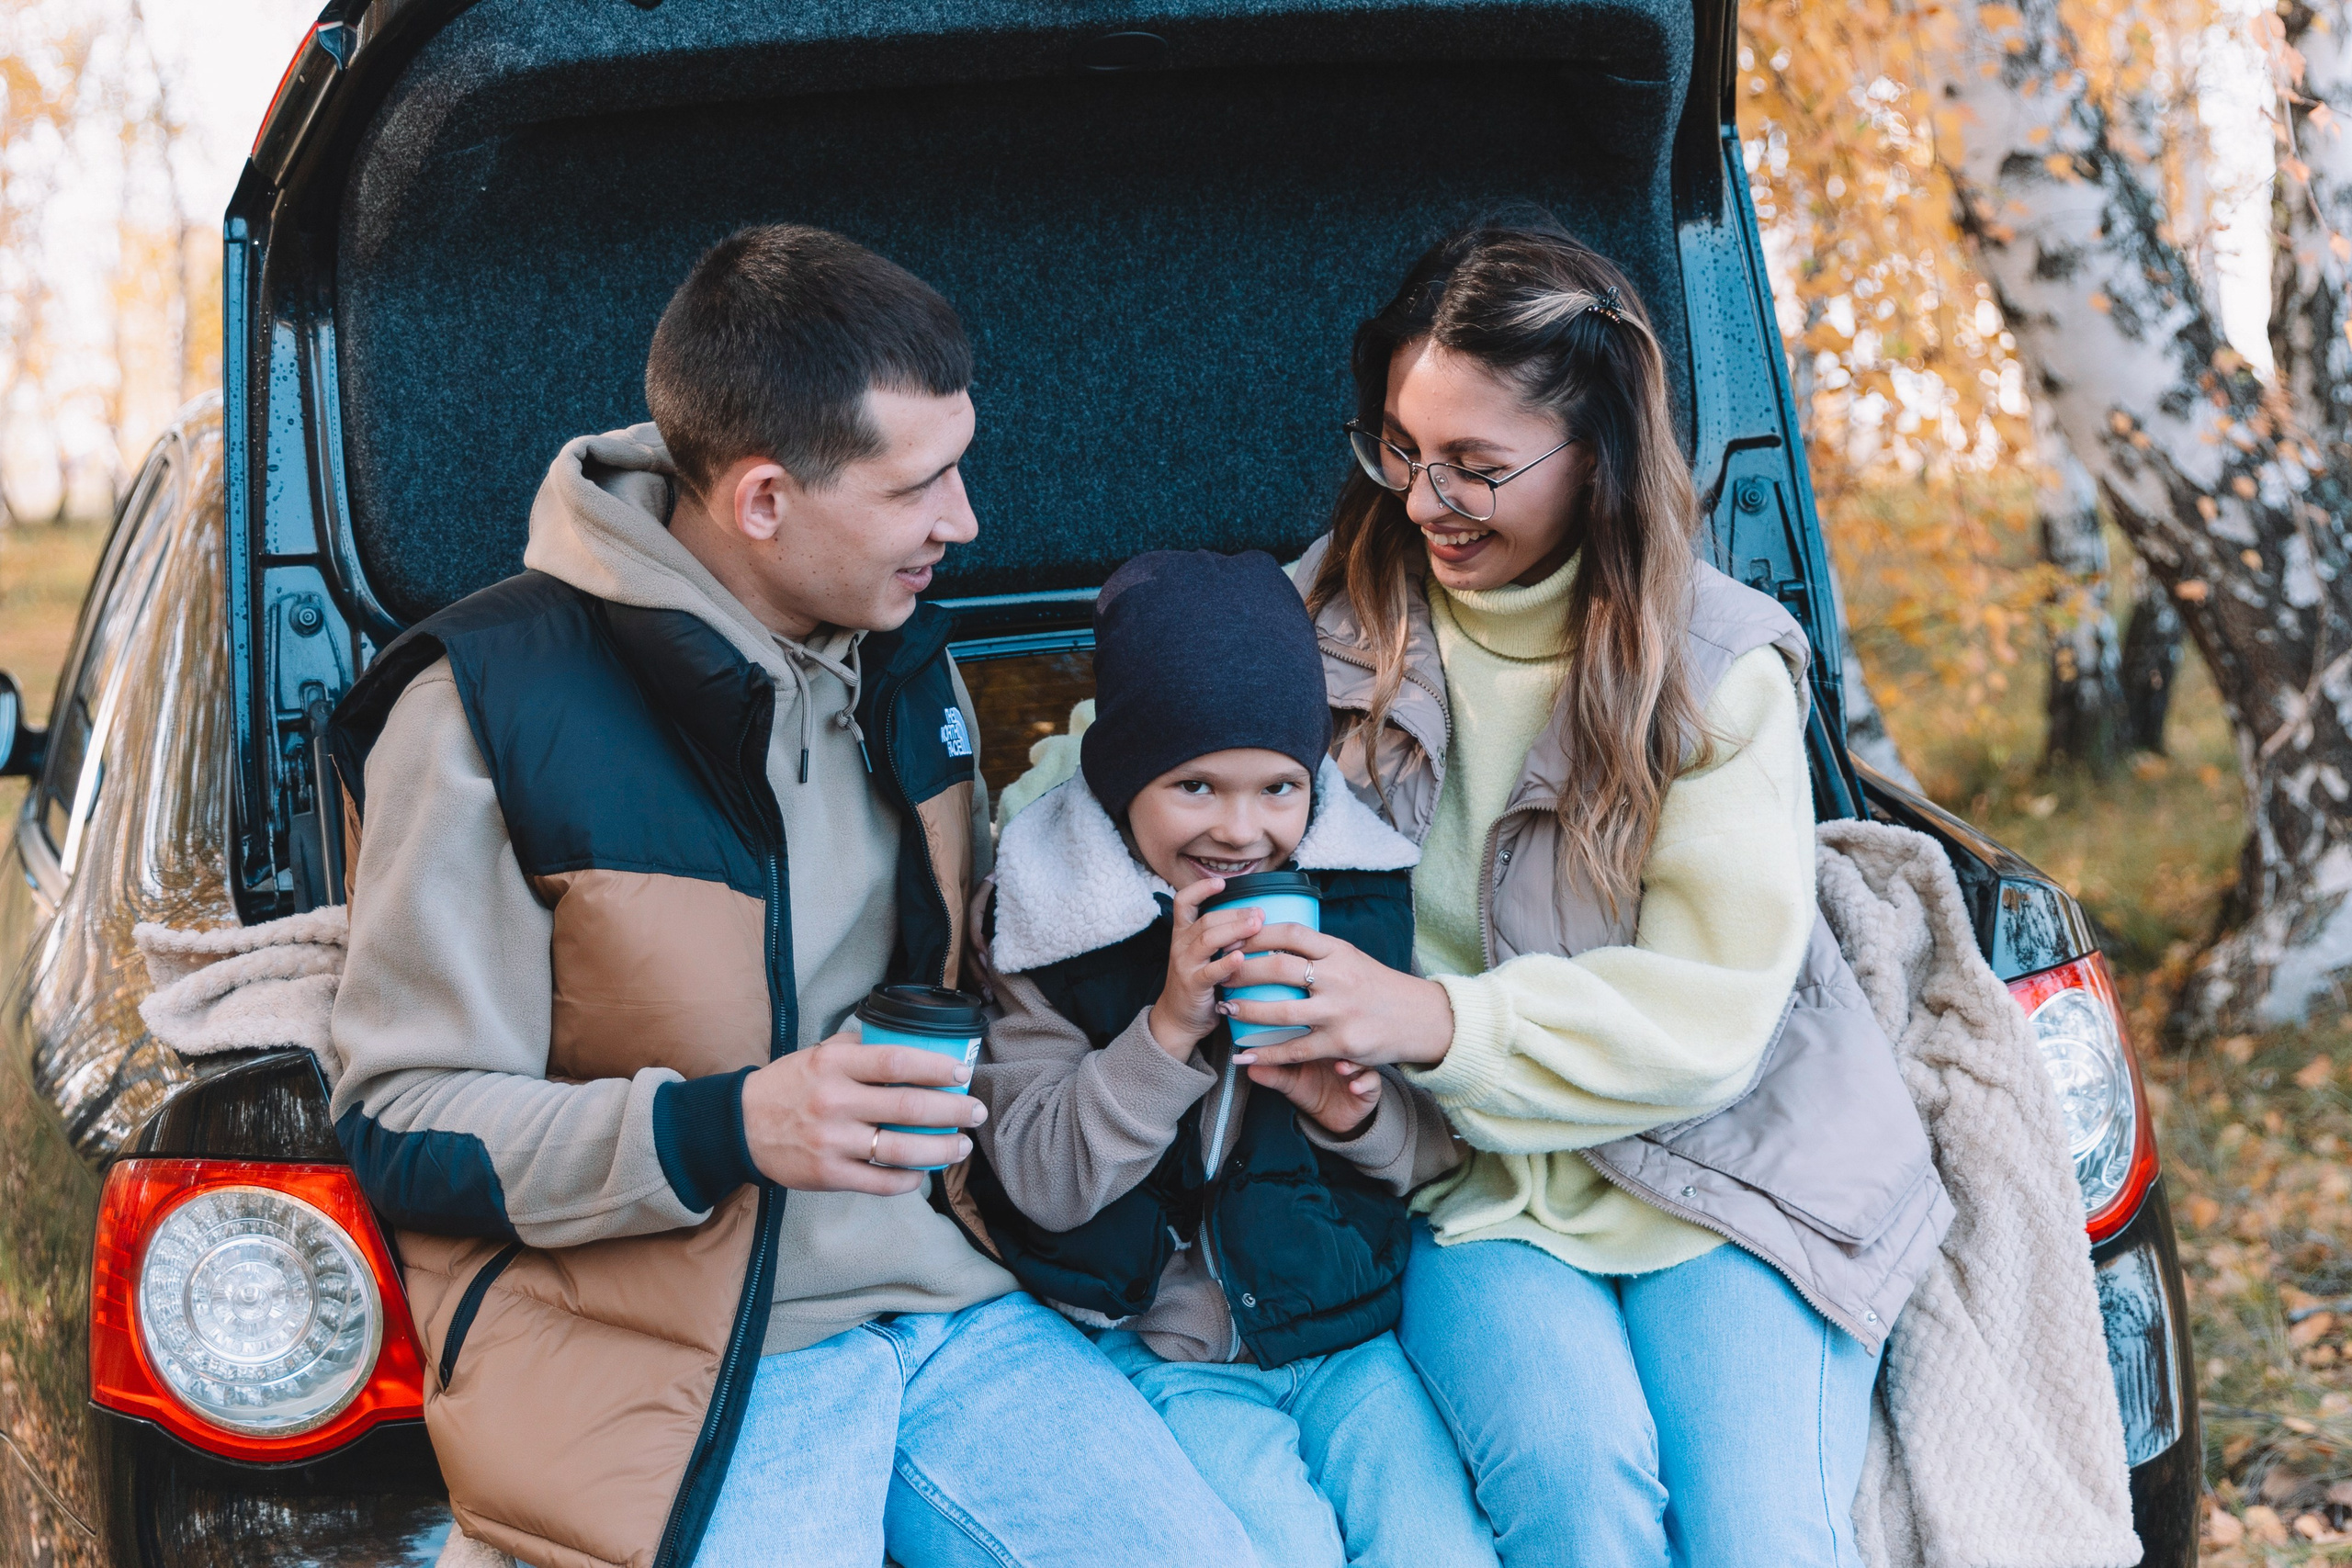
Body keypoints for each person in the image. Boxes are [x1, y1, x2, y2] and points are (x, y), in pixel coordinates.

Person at [325, 226, 1258, 1568]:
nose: (967, 520)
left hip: (950, 1298)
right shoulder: (484, 704)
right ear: (764, 499)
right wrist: (728, 1124)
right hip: (680, 1350)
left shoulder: (907, 658)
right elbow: (404, 1122)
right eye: (919, 484)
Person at [1214, 216, 1953, 1567]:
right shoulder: (1304, 624)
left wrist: (1434, 1019)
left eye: (1476, 468)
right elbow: (1132, 768)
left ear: (1596, 453)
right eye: (1401, 449)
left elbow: (1713, 1014)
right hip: (1467, 1173)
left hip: (1730, 1161)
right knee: (1575, 1490)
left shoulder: (1719, 665)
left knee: (1762, 1535)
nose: (1423, 500)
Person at [951, 549, 1496, 1568]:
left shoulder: (1359, 900)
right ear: (1120, 780)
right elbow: (1041, 1182)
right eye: (1194, 785)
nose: (1241, 830)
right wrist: (1165, 1027)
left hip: (1338, 1328)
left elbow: (1440, 1159)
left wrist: (1358, 1117)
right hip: (1164, 1342)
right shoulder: (1046, 922)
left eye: (1277, 787)